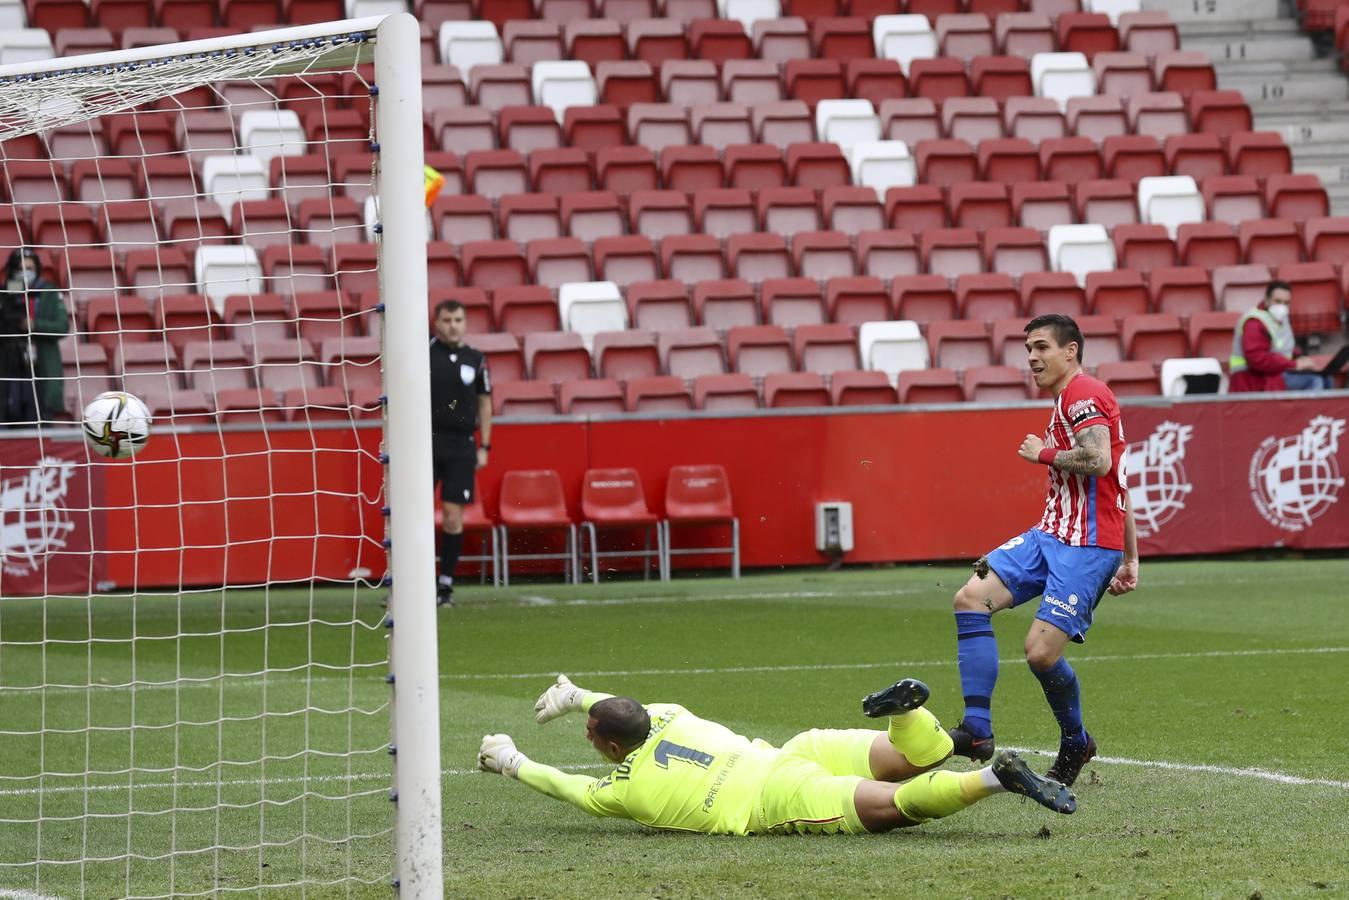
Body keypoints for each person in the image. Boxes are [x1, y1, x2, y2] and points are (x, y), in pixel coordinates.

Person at [476, 674, 1076, 836]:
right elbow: (624, 706)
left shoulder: (626, 793)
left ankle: (996, 780)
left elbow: (567, 788)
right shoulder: (671, 715)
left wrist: (509, 758)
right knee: (918, 755)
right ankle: (906, 713)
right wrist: (577, 695)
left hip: (776, 797)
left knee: (894, 806)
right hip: (790, 752)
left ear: (610, 748)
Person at [947, 314, 1138, 788]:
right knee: (970, 598)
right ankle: (976, 730)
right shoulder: (1064, 401)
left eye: (1041, 347)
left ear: (1070, 350)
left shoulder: (1084, 393)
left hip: (1088, 547)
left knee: (1039, 654)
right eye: (1028, 348)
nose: (1031, 356)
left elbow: (1099, 462)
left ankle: (1077, 740)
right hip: (1050, 535)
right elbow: (1122, 487)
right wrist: (1133, 557)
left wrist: (1043, 454)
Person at [429, 299, 491, 607]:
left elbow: (485, 402)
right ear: (436, 323)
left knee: (453, 518)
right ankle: (409, 584)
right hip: (425, 444)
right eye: (447, 320)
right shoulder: (423, 355)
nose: (453, 325)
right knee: (412, 518)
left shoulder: (476, 358)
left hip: (461, 445)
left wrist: (485, 445)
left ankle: (445, 586)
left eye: (458, 319)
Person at [1, 248, 69, 424]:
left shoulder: (49, 291)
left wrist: (35, 325)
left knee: (42, 422)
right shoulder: (6, 292)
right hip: (10, 368)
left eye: (29, 268)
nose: (25, 273)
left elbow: (62, 327)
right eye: (20, 268)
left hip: (42, 369)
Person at [1229, 281, 1329, 393]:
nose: (1282, 306)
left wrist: (1299, 358)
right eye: (1278, 301)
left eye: (1286, 303)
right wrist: (1294, 364)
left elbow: (1281, 349)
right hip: (1252, 379)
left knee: (1327, 379)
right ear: (1267, 300)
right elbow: (1257, 360)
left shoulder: (1280, 319)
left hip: (1275, 372)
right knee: (1314, 381)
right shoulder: (1254, 323)